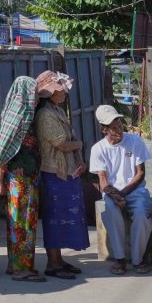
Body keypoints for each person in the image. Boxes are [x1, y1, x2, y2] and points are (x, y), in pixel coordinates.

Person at [0, 72, 60, 283]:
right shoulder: (18, 117)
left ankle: (15, 265)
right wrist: (0, 180)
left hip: (25, 178)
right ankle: (22, 269)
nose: (37, 97)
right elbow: (2, 152)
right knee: (22, 224)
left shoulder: (21, 115)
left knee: (20, 223)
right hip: (20, 180)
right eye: (34, 93)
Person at [36, 72, 89, 279]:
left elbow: (70, 140)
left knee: (64, 216)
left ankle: (58, 260)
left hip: (67, 171)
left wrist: (79, 157)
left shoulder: (56, 111)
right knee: (54, 218)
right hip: (53, 173)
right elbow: (62, 143)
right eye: (60, 90)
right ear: (51, 93)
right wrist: (79, 145)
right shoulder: (45, 115)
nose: (64, 93)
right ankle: (52, 263)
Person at [89, 105, 152, 275]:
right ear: (103, 129)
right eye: (112, 126)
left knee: (141, 215)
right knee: (110, 210)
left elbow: (140, 173)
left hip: (135, 191)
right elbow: (102, 180)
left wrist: (123, 194)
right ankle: (120, 258)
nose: (118, 128)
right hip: (111, 192)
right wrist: (115, 196)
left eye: (119, 123)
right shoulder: (98, 149)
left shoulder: (135, 141)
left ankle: (138, 259)